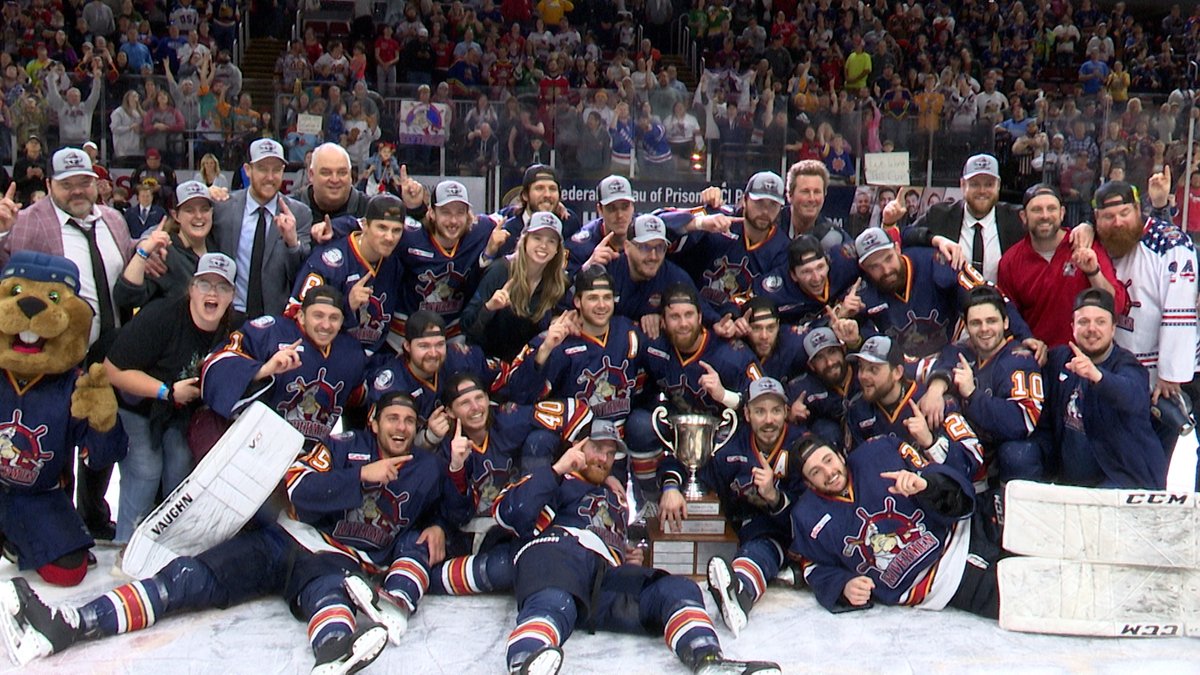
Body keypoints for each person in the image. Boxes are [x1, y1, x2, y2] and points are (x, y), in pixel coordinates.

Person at [0, 391, 469, 673]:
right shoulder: (344, 446)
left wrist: (437, 525)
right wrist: (360, 479)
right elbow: (300, 490)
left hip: (340, 562)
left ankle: (336, 651)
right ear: (375, 421)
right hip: (288, 539)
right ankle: (70, 625)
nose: (402, 427)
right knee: (185, 580)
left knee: (327, 596)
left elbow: (451, 513)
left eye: (409, 420)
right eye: (393, 418)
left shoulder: (428, 467)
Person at [495, 428, 781, 675]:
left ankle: (707, 658)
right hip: (557, 554)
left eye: (610, 454)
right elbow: (512, 515)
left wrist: (622, 554)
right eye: (596, 449)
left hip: (600, 576)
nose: (603, 459)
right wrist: (558, 469)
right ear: (576, 448)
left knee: (676, 588)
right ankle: (526, 661)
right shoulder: (556, 482)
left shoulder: (615, 498)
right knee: (555, 601)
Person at [0, 147, 135, 540]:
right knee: (55, 437)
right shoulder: (28, 221)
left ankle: (93, 512)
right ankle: (51, 518)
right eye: (68, 184)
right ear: (49, 185)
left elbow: (126, 270)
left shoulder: (113, 220)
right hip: (51, 356)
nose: (78, 191)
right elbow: (8, 285)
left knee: (100, 425)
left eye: (85, 182)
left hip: (108, 346)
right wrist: (2, 234)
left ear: (97, 184)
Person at [789, 434, 1000, 618]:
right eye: (816, 472)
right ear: (808, 483)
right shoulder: (808, 517)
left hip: (962, 536)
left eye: (828, 460)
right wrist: (842, 585)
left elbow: (955, 491)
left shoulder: (881, 453)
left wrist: (926, 486)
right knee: (1017, 597)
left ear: (840, 454)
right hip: (937, 583)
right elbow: (813, 566)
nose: (829, 472)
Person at [103, 253, 236, 544]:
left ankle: (168, 542)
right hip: (136, 404)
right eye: (205, 284)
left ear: (232, 296)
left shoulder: (234, 328)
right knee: (147, 469)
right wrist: (166, 391)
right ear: (191, 288)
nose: (212, 293)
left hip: (181, 412)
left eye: (222, 287)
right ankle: (127, 544)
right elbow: (112, 371)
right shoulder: (160, 316)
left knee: (181, 461)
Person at [660, 377, 805, 636]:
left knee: (761, 550)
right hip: (736, 534)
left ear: (785, 412)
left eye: (775, 411)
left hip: (781, 536)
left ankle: (740, 591)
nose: (768, 420)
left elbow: (809, 512)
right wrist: (671, 487)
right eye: (760, 411)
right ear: (747, 414)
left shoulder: (802, 446)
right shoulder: (731, 443)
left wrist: (773, 496)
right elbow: (681, 462)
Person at [200, 285, 365, 447]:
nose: (326, 325)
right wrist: (263, 370)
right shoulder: (270, 332)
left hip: (308, 455)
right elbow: (216, 363)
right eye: (318, 316)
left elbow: (361, 396)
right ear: (301, 316)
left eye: (334, 318)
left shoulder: (351, 352)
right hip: (252, 443)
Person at [1035, 288, 1166, 489]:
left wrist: (1097, 376)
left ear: (1113, 328)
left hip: (1122, 478)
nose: (1091, 328)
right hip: (1069, 479)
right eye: (1083, 322)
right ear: (1072, 327)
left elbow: (1133, 397)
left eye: (1100, 322)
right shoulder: (1059, 359)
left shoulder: (1128, 365)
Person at [852, 227, 1041, 364]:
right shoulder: (861, 292)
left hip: (955, 357)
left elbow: (991, 296)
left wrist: (1024, 335)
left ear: (897, 248)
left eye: (888, 258)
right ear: (864, 269)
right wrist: (848, 323)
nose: (885, 270)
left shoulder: (938, 261)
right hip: (902, 374)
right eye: (874, 266)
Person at [918, 287, 1045, 482]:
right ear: (967, 328)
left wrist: (972, 394)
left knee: (1017, 455)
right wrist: (936, 388)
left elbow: (1021, 422)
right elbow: (945, 362)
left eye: (991, 321)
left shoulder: (1020, 359)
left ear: (1006, 322)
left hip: (1010, 449)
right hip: (976, 447)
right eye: (976, 323)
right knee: (945, 403)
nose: (984, 329)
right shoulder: (961, 350)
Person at [505, 266, 646, 425]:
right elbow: (520, 395)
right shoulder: (556, 341)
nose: (601, 305)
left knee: (642, 426)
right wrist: (545, 350)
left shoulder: (629, 332)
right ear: (577, 301)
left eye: (607, 297)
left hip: (619, 433)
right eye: (593, 298)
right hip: (575, 438)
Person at [997, 184, 1129, 348]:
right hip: (1038, 360)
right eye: (1037, 210)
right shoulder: (1010, 262)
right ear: (1023, 216)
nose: (1045, 215)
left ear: (1062, 213)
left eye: (1051, 208)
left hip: (1084, 362)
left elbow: (1116, 306)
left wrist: (1093, 272)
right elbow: (1007, 319)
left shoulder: (1086, 246)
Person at [287, 194, 406, 355]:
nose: (389, 237)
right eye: (382, 228)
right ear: (364, 225)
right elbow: (294, 314)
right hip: (327, 358)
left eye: (396, 230)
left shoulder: (393, 262)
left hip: (373, 359)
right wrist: (345, 305)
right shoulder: (327, 262)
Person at [211, 138, 313, 321]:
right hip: (229, 317)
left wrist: (292, 243)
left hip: (276, 322)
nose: (270, 177)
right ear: (248, 170)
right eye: (263, 169)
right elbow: (183, 222)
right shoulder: (223, 208)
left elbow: (302, 276)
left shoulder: (299, 214)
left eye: (276, 170)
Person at [883, 154, 1025, 283]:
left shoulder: (1016, 218)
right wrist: (889, 222)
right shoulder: (939, 214)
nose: (982, 191)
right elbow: (906, 237)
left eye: (989, 184)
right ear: (962, 185)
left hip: (1001, 306)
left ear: (998, 186)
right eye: (975, 184)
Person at [462, 211, 568, 361]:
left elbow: (566, 315)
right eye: (537, 238)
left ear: (558, 248)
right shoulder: (500, 271)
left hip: (529, 366)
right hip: (489, 362)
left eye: (551, 241)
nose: (543, 245)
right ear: (524, 240)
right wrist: (489, 308)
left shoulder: (559, 282)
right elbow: (467, 326)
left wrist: (559, 322)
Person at [115, 181, 216, 311]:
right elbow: (126, 298)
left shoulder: (217, 249)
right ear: (176, 215)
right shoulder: (163, 253)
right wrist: (143, 254)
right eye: (189, 210)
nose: (198, 216)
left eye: (204, 209)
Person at [754, 234, 862, 326]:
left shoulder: (845, 259)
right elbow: (743, 303)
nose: (816, 278)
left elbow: (875, 256)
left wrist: (861, 297)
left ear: (828, 263)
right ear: (793, 275)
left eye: (820, 267)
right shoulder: (774, 290)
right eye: (806, 271)